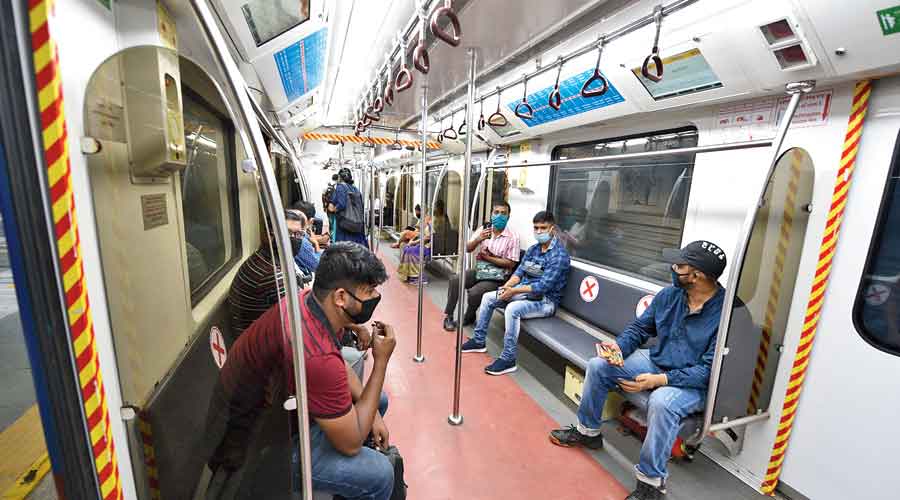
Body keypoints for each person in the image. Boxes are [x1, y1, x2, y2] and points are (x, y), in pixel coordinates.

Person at [205, 243, 396, 500]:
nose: (373, 297)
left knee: (376, 401)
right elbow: (349, 444)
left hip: (273, 410)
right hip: (259, 448)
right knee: (381, 474)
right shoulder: (315, 353)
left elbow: (335, 361)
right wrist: (381, 361)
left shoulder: (310, 301)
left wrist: (371, 414)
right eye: (369, 290)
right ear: (341, 297)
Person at [549, 240, 728, 500]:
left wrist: (657, 381)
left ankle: (651, 484)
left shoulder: (725, 314)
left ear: (697, 275)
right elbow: (640, 329)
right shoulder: (669, 296)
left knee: (662, 402)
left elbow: (708, 370)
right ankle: (588, 432)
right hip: (658, 360)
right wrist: (619, 349)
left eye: (679, 266)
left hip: (693, 381)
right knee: (599, 366)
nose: (673, 269)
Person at [461, 211, 570, 375]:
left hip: (545, 301)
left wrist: (513, 291)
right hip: (523, 293)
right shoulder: (533, 250)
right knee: (488, 297)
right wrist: (507, 288)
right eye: (536, 228)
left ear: (552, 229)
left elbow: (542, 287)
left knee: (512, 309)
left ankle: (508, 359)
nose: (539, 232)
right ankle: (479, 340)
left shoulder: (559, 256)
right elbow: (518, 273)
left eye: (543, 228)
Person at [442, 201, 520, 331]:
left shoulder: (513, 236)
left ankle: (469, 316)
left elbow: (511, 263)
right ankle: (449, 316)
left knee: (474, 292)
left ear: (508, 217)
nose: (499, 216)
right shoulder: (484, 229)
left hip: (499, 275)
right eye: (496, 212)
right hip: (481, 268)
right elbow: (467, 248)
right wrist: (479, 239)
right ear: (491, 214)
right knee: (455, 280)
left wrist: (488, 257)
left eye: (503, 213)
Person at [329, 168, 368, 247]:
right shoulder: (355, 189)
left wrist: (333, 209)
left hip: (344, 224)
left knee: (343, 247)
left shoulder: (340, 187)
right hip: (357, 223)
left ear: (339, 177)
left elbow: (341, 204)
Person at [396, 215, 433, 284]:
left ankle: (418, 277)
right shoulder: (426, 224)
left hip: (427, 247)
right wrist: (412, 242)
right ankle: (408, 274)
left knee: (410, 251)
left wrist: (413, 242)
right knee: (407, 248)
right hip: (422, 244)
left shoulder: (430, 225)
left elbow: (427, 238)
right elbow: (421, 235)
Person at [285, 210, 321, 275]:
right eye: (289, 232)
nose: (294, 237)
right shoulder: (303, 243)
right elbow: (318, 266)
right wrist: (316, 244)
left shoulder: (300, 239)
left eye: (299, 233)